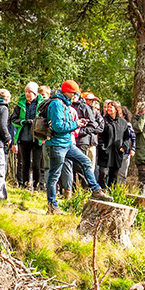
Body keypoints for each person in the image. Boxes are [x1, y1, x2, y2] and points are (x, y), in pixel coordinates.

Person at [44, 80, 112, 214]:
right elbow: (58, 127)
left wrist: (77, 122)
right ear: (67, 92)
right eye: (74, 93)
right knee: (54, 176)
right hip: (57, 145)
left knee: (85, 161)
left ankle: (96, 190)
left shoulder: (64, 103)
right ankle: (52, 206)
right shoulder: (56, 104)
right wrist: (76, 124)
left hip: (67, 143)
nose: (76, 96)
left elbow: (65, 123)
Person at [11, 81, 42, 190]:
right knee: (25, 164)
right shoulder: (20, 104)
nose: (27, 94)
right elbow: (13, 119)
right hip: (24, 137)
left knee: (37, 165)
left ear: (35, 93)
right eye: (26, 92)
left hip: (37, 138)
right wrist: (23, 122)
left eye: (30, 92)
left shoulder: (41, 104)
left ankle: (37, 186)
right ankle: (23, 186)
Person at [96, 101, 129, 188]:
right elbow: (100, 136)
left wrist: (124, 147)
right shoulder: (103, 120)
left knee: (114, 175)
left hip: (117, 152)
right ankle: (101, 191)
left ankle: (112, 193)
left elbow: (127, 137)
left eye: (111, 107)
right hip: (105, 152)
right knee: (103, 173)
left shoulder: (123, 122)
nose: (108, 109)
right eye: (108, 107)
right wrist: (103, 148)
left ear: (116, 109)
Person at [76, 92, 105, 173]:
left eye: (93, 100)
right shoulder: (80, 110)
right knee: (80, 165)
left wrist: (90, 129)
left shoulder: (96, 112)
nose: (92, 102)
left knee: (91, 166)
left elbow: (101, 127)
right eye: (90, 100)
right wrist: (89, 129)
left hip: (92, 143)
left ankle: (88, 185)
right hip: (82, 142)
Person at [118, 103, 136, 185]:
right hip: (115, 151)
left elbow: (133, 137)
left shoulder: (128, 125)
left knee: (122, 173)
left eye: (120, 113)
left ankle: (120, 191)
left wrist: (133, 148)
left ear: (124, 115)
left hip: (125, 152)